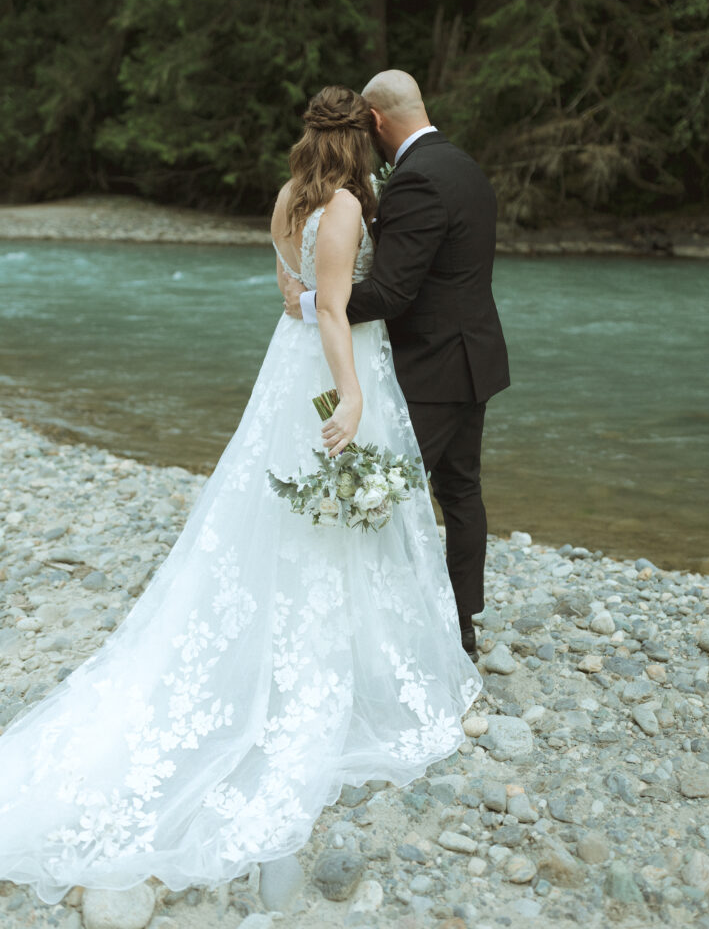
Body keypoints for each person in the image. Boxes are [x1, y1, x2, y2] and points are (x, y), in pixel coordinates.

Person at [0, 85, 481, 906]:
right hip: (335, 368)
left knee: (286, 512)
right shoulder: (344, 210)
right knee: (335, 505)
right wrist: (351, 397)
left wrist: (313, 325)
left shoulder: (286, 200)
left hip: (282, 370)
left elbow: (288, 297)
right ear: (356, 142)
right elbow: (330, 310)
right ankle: (340, 662)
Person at [284, 70, 510, 661]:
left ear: (377, 121)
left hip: (432, 367)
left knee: (390, 493)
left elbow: (391, 293)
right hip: (476, 356)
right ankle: (461, 621)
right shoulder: (464, 165)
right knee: (461, 493)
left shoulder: (414, 182)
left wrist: (311, 303)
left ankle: (396, 626)